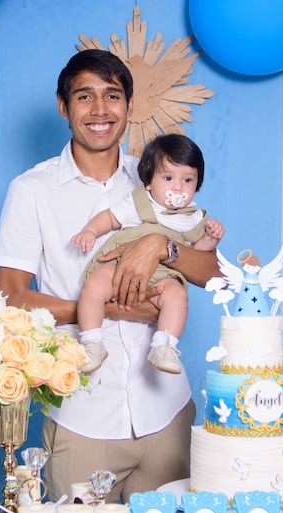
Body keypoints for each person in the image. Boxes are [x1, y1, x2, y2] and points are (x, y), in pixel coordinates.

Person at [0, 49, 220, 503]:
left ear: (130, 107)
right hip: (82, 413)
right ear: (63, 106)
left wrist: (162, 245)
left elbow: (213, 274)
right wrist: (106, 309)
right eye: (84, 96)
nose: (100, 110)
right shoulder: (32, 190)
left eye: (112, 96)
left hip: (167, 410)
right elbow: (9, 299)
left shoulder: (158, 178)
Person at [70, 134, 224, 375]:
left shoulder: (193, 218)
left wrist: (209, 239)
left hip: (165, 274)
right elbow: (111, 218)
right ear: (149, 182)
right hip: (122, 262)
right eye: (168, 178)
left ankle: (164, 346)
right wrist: (90, 231)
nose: (178, 187)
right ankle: (92, 342)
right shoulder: (141, 202)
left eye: (188, 180)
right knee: (94, 286)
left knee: (176, 297)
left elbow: (196, 257)